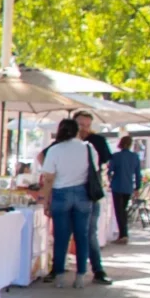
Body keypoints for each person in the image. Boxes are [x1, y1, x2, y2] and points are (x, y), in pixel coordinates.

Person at [41, 118, 101, 289]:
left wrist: (46, 201)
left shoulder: (55, 150)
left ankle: (59, 276)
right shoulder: (88, 148)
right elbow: (95, 170)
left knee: (61, 237)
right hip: (83, 193)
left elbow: (48, 178)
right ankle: (80, 276)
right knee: (81, 236)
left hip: (61, 194)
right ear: (77, 131)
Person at [73, 110, 113, 285]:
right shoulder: (64, 141)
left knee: (90, 233)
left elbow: (103, 163)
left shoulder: (97, 141)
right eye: (81, 125)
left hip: (90, 192)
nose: (85, 129)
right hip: (69, 190)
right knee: (64, 232)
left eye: (87, 125)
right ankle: (56, 268)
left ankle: (97, 269)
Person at [109, 135, 141, 244]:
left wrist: (109, 179)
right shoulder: (135, 157)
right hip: (128, 187)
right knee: (123, 210)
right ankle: (124, 233)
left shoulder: (115, 156)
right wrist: (138, 187)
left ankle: (123, 234)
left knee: (119, 211)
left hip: (117, 186)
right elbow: (138, 174)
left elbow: (109, 171)